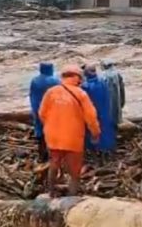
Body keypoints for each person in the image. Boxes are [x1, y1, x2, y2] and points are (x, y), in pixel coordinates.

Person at [39, 65, 100, 197]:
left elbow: (42, 113)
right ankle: (71, 198)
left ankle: (51, 193)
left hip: (53, 137)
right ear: (77, 78)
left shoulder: (51, 92)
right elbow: (91, 117)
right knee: (74, 171)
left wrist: (50, 127)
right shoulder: (81, 94)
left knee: (54, 162)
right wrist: (95, 133)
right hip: (73, 137)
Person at [82, 65, 115, 157]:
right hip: (105, 111)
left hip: (93, 113)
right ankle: (107, 149)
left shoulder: (86, 86)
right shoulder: (103, 82)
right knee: (106, 129)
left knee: (93, 131)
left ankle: (95, 150)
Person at [29, 62, 60, 162]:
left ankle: (41, 156)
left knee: (40, 133)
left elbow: (31, 95)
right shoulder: (55, 80)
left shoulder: (35, 80)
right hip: (52, 110)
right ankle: (54, 156)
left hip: (38, 109)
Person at [99, 60, 125, 127]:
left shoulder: (102, 76)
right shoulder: (117, 74)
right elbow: (122, 89)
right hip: (116, 101)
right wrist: (122, 101)